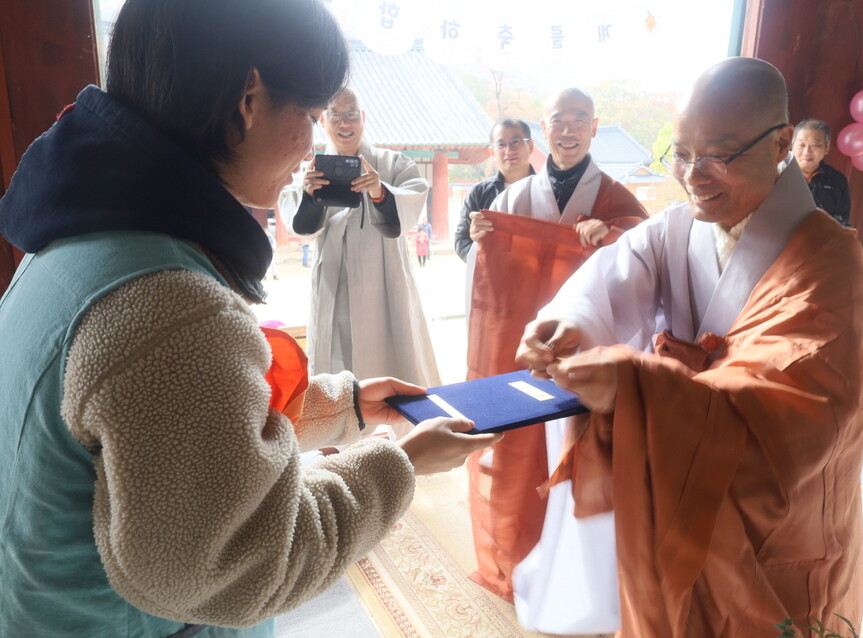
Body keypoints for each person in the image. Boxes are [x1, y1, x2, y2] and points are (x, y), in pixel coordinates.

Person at [0, 1, 500, 636]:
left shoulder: (83, 242)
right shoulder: (171, 308)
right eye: (313, 116)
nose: (316, 142)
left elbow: (175, 424)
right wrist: (397, 459)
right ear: (249, 97)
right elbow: (244, 562)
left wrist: (342, 407)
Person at [517, 57, 863, 637]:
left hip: (780, 528)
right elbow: (607, 279)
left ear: (782, 142)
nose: (692, 175)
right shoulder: (679, 227)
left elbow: (794, 413)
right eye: (681, 153)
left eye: (717, 155)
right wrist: (568, 323)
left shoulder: (830, 264)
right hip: (684, 496)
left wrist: (639, 388)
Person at [465, 88, 647, 626]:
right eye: (557, 121)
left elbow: (644, 262)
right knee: (518, 451)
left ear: (595, 128)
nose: (567, 130)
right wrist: (482, 237)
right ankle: (513, 553)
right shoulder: (514, 198)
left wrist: (613, 233)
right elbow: (492, 285)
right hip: (524, 349)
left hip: (582, 357)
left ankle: (578, 579)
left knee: (579, 460)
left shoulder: (617, 198)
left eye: (578, 120)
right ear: (543, 131)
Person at [278, 88, 440, 387]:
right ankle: (341, 428)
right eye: (336, 116)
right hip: (332, 281)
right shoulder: (309, 171)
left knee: (394, 358)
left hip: (384, 280)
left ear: (363, 118)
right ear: (322, 121)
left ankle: (401, 429)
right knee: (335, 363)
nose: (345, 124)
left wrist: (380, 192)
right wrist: (310, 196)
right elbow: (300, 228)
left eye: (351, 115)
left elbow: (411, 205)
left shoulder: (393, 164)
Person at [453, 119, 536, 261]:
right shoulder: (479, 193)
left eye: (515, 142)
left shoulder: (547, 189)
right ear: (492, 152)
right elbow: (461, 241)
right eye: (501, 144)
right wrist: (477, 246)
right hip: (494, 277)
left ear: (531, 146)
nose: (509, 150)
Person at [792, 118, 852, 226]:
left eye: (815, 145)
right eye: (801, 145)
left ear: (826, 148)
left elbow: (842, 223)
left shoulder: (837, 181)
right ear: (792, 145)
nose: (807, 152)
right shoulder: (777, 173)